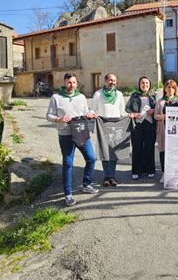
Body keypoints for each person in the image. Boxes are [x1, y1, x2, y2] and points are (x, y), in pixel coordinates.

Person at [46, 73, 98, 207]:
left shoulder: (81, 97)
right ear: (64, 82)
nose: (71, 85)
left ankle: (86, 184)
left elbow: (86, 112)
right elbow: (49, 115)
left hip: (81, 132)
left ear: (76, 83)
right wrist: (59, 119)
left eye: (74, 82)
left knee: (91, 158)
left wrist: (90, 115)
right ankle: (68, 194)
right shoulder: (56, 98)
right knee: (68, 163)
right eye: (69, 82)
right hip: (65, 134)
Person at [91, 73, 129, 187]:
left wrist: (129, 115)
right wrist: (92, 114)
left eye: (114, 80)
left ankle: (112, 176)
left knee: (114, 152)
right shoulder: (98, 94)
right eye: (110, 80)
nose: (112, 82)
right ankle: (106, 176)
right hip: (103, 127)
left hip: (117, 126)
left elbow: (122, 111)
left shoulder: (119, 94)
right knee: (105, 152)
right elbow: (93, 109)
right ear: (105, 81)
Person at [154, 80, 178, 183]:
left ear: (175, 89)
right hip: (164, 130)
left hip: (177, 132)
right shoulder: (160, 101)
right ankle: (164, 173)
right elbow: (155, 116)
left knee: (176, 151)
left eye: (172, 87)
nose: (170, 89)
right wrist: (163, 116)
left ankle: (176, 172)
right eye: (168, 87)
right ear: (165, 89)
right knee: (163, 152)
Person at [125, 76, 157, 180]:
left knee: (149, 147)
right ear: (139, 85)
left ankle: (150, 169)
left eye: (147, 83)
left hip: (150, 123)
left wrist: (153, 111)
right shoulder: (134, 95)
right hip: (137, 124)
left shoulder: (154, 95)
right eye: (143, 83)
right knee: (137, 147)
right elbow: (127, 107)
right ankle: (136, 170)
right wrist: (133, 114)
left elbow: (158, 108)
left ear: (149, 85)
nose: (145, 85)